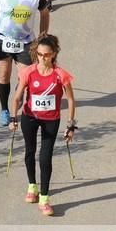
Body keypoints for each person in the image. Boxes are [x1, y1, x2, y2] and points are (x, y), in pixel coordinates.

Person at [9, 33, 76, 216]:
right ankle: (32, 186)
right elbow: (17, 98)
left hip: (51, 120)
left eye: (46, 55)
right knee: (30, 152)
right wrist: (13, 118)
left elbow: (70, 100)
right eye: (39, 54)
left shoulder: (60, 75)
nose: (42, 58)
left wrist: (70, 126)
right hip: (30, 117)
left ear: (53, 54)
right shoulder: (28, 72)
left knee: (45, 157)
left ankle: (44, 198)